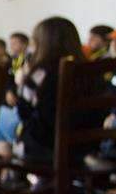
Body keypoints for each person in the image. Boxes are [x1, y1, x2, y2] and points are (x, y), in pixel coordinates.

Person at [5, 17, 88, 164]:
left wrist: (21, 83)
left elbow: (24, 113)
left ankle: (9, 168)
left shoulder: (41, 73)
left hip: (44, 148)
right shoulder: (90, 71)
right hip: (83, 148)